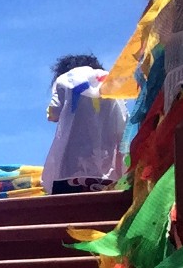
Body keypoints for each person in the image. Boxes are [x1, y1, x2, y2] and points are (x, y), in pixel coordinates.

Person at [43, 52, 123, 193]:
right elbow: (123, 117)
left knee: (71, 201)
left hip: (72, 167)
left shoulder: (65, 80)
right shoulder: (109, 82)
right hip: (108, 165)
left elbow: (53, 114)